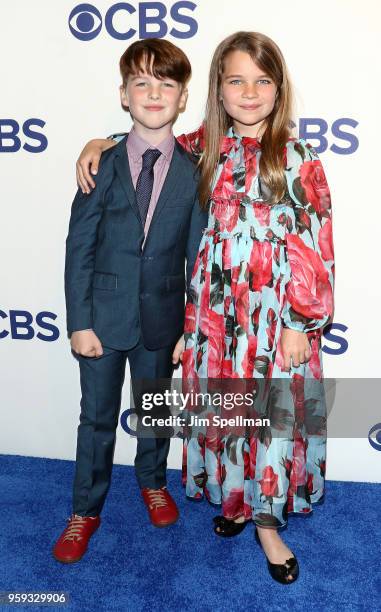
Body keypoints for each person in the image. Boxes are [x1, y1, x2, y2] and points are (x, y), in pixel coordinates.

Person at [75, 31, 334, 584]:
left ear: (278, 89)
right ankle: (236, 502)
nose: (249, 92)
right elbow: (149, 141)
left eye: (262, 81)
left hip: (272, 318)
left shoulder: (296, 156)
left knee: (272, 420)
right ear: (217, 89)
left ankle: (268, 525)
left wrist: (299, 322)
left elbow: (316, 243)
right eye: (236, 80)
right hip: (216, 318)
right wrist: (101, 140)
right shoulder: (203, 149)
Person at [53, 38, 207, 564]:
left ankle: (153, 482)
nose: (154, 93)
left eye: (167, 84)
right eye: (141, 82)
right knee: (95, 417)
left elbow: (197, 256)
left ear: (183, 97)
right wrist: (79, 321)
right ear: (124, 94)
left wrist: (189, 324)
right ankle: (84, 510)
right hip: (101, 319)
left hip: (163, 322)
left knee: (156, 413)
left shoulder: (195, 170)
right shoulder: (100, 162)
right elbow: (80, 247)